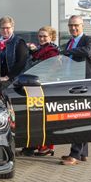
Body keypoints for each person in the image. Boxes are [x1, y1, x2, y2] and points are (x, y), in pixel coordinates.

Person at [59, 15, 91, 166]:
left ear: (82, 26)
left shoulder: (89, 40)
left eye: (76, 25)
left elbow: (88, 51)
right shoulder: (69, 42)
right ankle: (83, 153)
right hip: (73, 86)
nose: (73, 28)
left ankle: (74, 154)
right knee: (80, 119)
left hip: (84, 87)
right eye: (70, 25)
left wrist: (68, 52)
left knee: (79, 120)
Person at [23, 25, 59, 157]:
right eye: (40, 36)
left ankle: (46, 147)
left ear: (51, 37)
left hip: (44, 87)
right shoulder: (41, 49)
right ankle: (34, 145)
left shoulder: (52, 51)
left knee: (44, 118)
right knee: (35, 118)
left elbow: (51, 70)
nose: (42, 38)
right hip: (35, 87)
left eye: (45, 36)